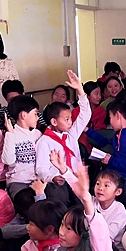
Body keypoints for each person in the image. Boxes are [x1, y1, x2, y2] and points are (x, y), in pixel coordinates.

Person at [36, 71, 91, 204]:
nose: (71, 122)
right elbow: (41, 168)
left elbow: (85, 115)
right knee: (59, 198)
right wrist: (52, 177)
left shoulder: (70, 134)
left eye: (71, 118)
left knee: (82, 202)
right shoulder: (44, 141)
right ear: (54, 122)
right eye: (66, 119)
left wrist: (80, 90)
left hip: (74, 177)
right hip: (58, 181)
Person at [85, 99, 126, 198]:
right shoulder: (118, 134)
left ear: (118, 115)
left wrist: (112, 160)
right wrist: (87, 130)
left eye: (110, 117)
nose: (110, 121)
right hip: (112, 176)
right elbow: (104, 141)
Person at [3, 95, 42, 198]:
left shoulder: (37, 134)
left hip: (37, 180)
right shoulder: (12, 135)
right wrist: (10, 134)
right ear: (24, 115)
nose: (37, 118)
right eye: (35, 114)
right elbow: (8, 160)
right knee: (24, 199)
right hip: (18, 181)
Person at [92, 170, 126, 250]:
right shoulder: (92, 201)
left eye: (106, 185)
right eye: (98, 184)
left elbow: (108, 236)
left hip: (112, 250)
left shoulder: (119, 210)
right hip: (92, 245)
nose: (100, 188)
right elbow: (80, 193)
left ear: (118, 191)